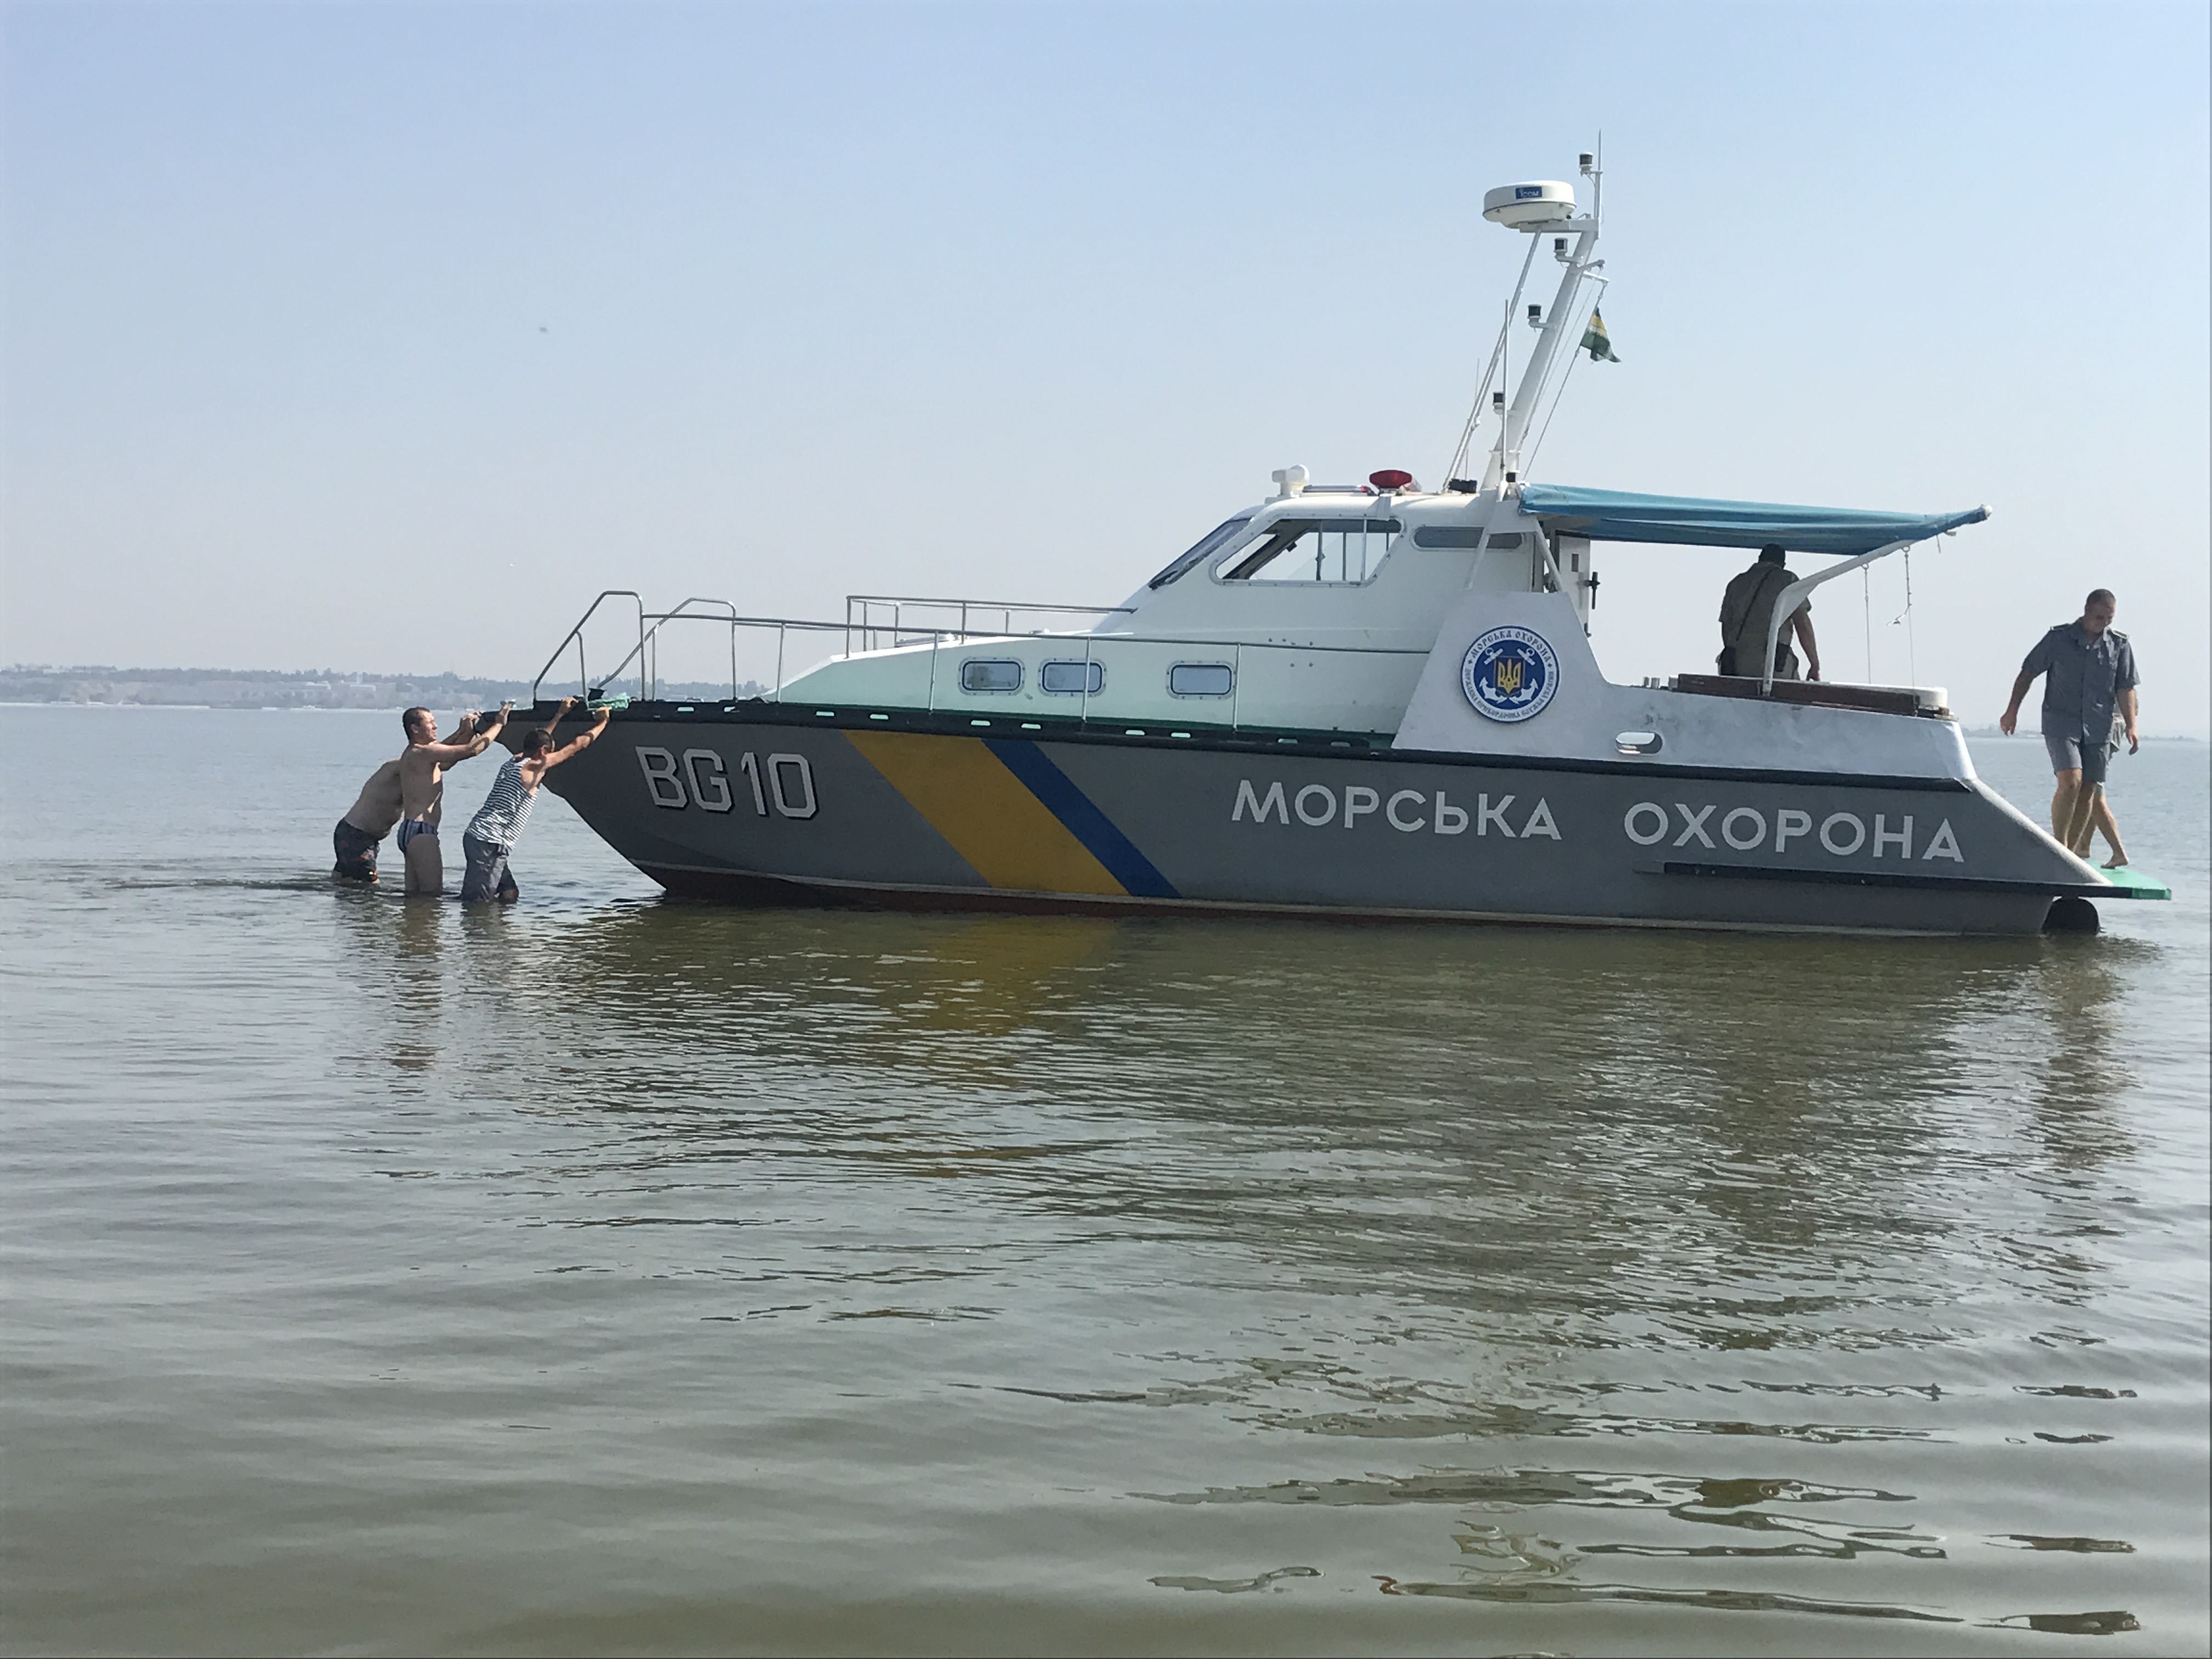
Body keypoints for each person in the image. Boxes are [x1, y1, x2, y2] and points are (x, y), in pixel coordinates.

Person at [1999, 588, 2138, 857]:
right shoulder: (2058, 639)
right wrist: (2012, 711)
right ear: (2087, 610)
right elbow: (2027, 673)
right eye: (2099, 617)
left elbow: (2126, 687)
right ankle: (2059, 844)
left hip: (2099, 725)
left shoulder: (2119, 645)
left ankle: (2069, 854)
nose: (2104, 623)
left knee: (2088, 789)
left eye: (2109, 619)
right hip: (2061, 722)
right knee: (2071, 781)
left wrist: (2131, 725)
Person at [460, 697, 611, 905]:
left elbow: (543, 738)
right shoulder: (532, 768)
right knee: (478, 903)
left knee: (510, 894)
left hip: (481, 837)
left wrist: (560, 714)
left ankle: (499, 925)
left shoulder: (516, 759)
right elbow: (577, 745)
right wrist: (603, 722)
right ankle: (472, 925)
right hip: (490, 841)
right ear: (543, 752)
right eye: (550, 750)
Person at [397, 702, 511, 896]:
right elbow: (470, 750)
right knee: (432, 896)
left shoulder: (420, 753)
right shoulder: (421, 752)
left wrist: (465, 731)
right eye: (430, 722)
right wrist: (499, 724)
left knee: (414, 897)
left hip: (410, 830)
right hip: (422, 832)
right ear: (415, 729)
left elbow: (448, 759)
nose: (435, 726)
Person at [1718, 544, 1821, 681]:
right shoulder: (1787, 580)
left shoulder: (1736, 583)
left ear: (1760, 559)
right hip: (1773, 663)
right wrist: (1814, 664)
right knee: (1790, 693)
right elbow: (1803, 624)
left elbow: (1726, 626)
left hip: (1737, 663)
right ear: (1783, 564)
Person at [332, 757, 404, 883]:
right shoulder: (397, 766)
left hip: (365, 838)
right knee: (370, 884)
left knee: (345, 880)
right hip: (355, 836)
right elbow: (435, 756)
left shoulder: (416, 770)